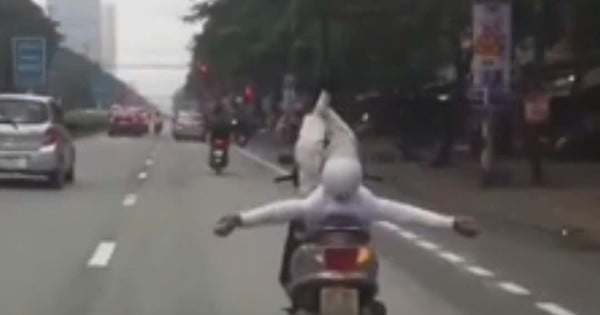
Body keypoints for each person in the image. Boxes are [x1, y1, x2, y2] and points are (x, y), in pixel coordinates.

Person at [214, 90, 478, 288]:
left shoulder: (316, 200)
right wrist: (451, 223)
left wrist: (238, 220)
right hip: (342, 253)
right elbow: (406, 213)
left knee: (290, 268)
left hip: (333, 250)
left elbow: (276, 212)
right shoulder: (364, 200)